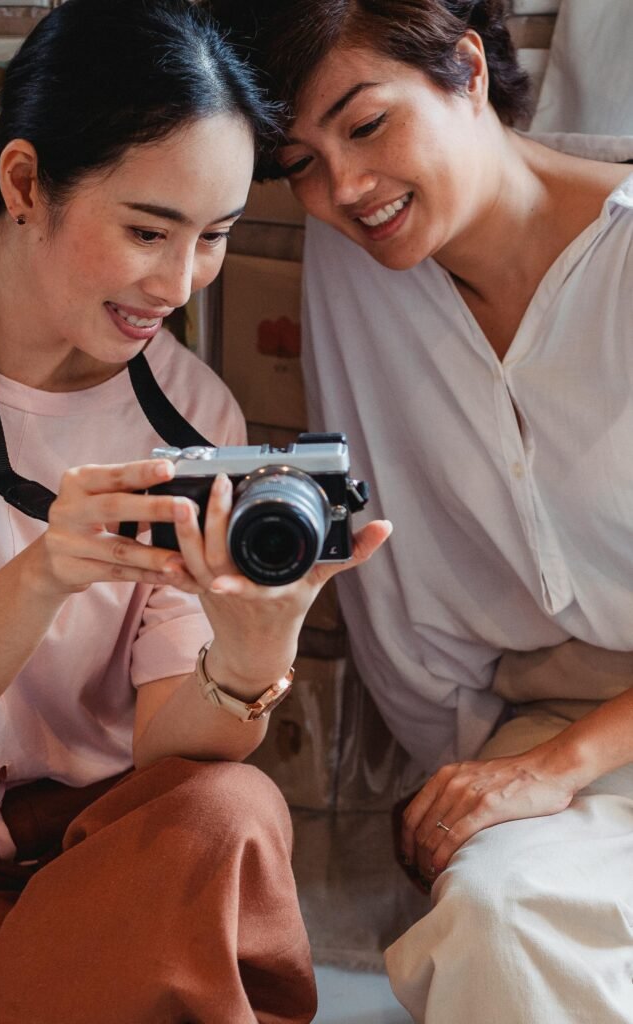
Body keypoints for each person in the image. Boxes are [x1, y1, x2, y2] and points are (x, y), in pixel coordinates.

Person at [0, 2, 391, 1022]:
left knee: (231, 812)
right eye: (149, 231)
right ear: (26, 183)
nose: (179, 280)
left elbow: (169, 747)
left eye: (216, 238)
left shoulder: (194, 411)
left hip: (104, 848)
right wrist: (48, 571)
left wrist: (250, 656)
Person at [207, 1, 633, 1021]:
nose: (344, 189)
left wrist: (555, 765)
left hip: (573, 751)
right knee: (496, 915)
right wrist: (482, 773)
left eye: (364, 125)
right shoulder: (362, 270)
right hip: (539, 737)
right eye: (300, 162)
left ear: (469, 70)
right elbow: (402, 594)